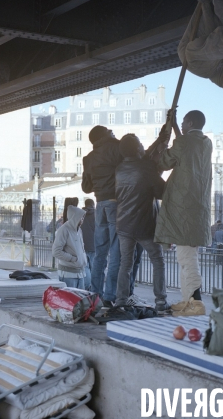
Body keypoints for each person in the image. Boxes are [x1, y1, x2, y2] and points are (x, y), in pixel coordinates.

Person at [155, 110, 212, 316]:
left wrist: (162, 149)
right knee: (187, 257)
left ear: (189, 122)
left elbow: (164, 162)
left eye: (183, 124)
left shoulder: (184, 143)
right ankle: (187, 301)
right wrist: (176, 126)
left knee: (187, 260)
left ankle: (195, 303)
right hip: (198, 211)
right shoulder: (205, 143)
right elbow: (186, 144)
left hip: (182, 211)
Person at [114, 134, 169, 313]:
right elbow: (162, 192)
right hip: (144, 224)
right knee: (157, 260)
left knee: (126, 263)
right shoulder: (146, 168)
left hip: (123, 224)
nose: (143, 145)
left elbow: (144, 159)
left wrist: (160, 140)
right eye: (140, 143)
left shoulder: (120, 169)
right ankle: (161, 301)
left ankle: (121, 299)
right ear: (138, 149)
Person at [82, 125, 123, 307]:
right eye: (108, 130)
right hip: (116, 202)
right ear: (103, 135)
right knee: (116, 253)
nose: (112, 131)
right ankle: (109, 296)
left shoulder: (89, 158)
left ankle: (94, 295)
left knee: (100, 253)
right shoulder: (116, 147)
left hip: (100, 204)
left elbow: (86, 187)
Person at [52, 205, 88, 288]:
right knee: (69, 300)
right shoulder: (63, 230)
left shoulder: (79, 230)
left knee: (79, 300)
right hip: (68, 274)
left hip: (80, 273)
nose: (82, 220)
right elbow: (56, 251)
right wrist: (73, 259)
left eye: (83, 217)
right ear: (74, 217)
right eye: (80, 217)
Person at [80, 199, 96, 290]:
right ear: (93, 205)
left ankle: (87, 286)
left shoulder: (81, 214)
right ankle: (94, 287)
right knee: (94, 268)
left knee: (85, 267)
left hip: (83, 245)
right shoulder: (97, 214)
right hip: (95, 245)